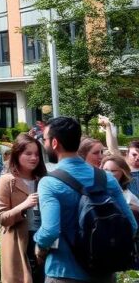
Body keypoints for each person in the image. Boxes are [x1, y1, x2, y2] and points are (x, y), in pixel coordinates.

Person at [35, 116, 137, 282]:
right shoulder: (107, 179)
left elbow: (50, 230)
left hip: (64, 271)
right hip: (103, 272)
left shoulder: (49, 182)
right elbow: (131, 225)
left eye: (44, 139)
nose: (44, 143)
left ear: (54, 143)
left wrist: (39, 246)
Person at [0, 133, 46, 283]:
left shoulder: (44, 180)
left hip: (42, 239)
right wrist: (24, 205)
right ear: (17, 154)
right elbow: (1, 218)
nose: (34, 158)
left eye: (37, 154)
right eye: (28, 153)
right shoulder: (6, 181)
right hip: (18, 242)